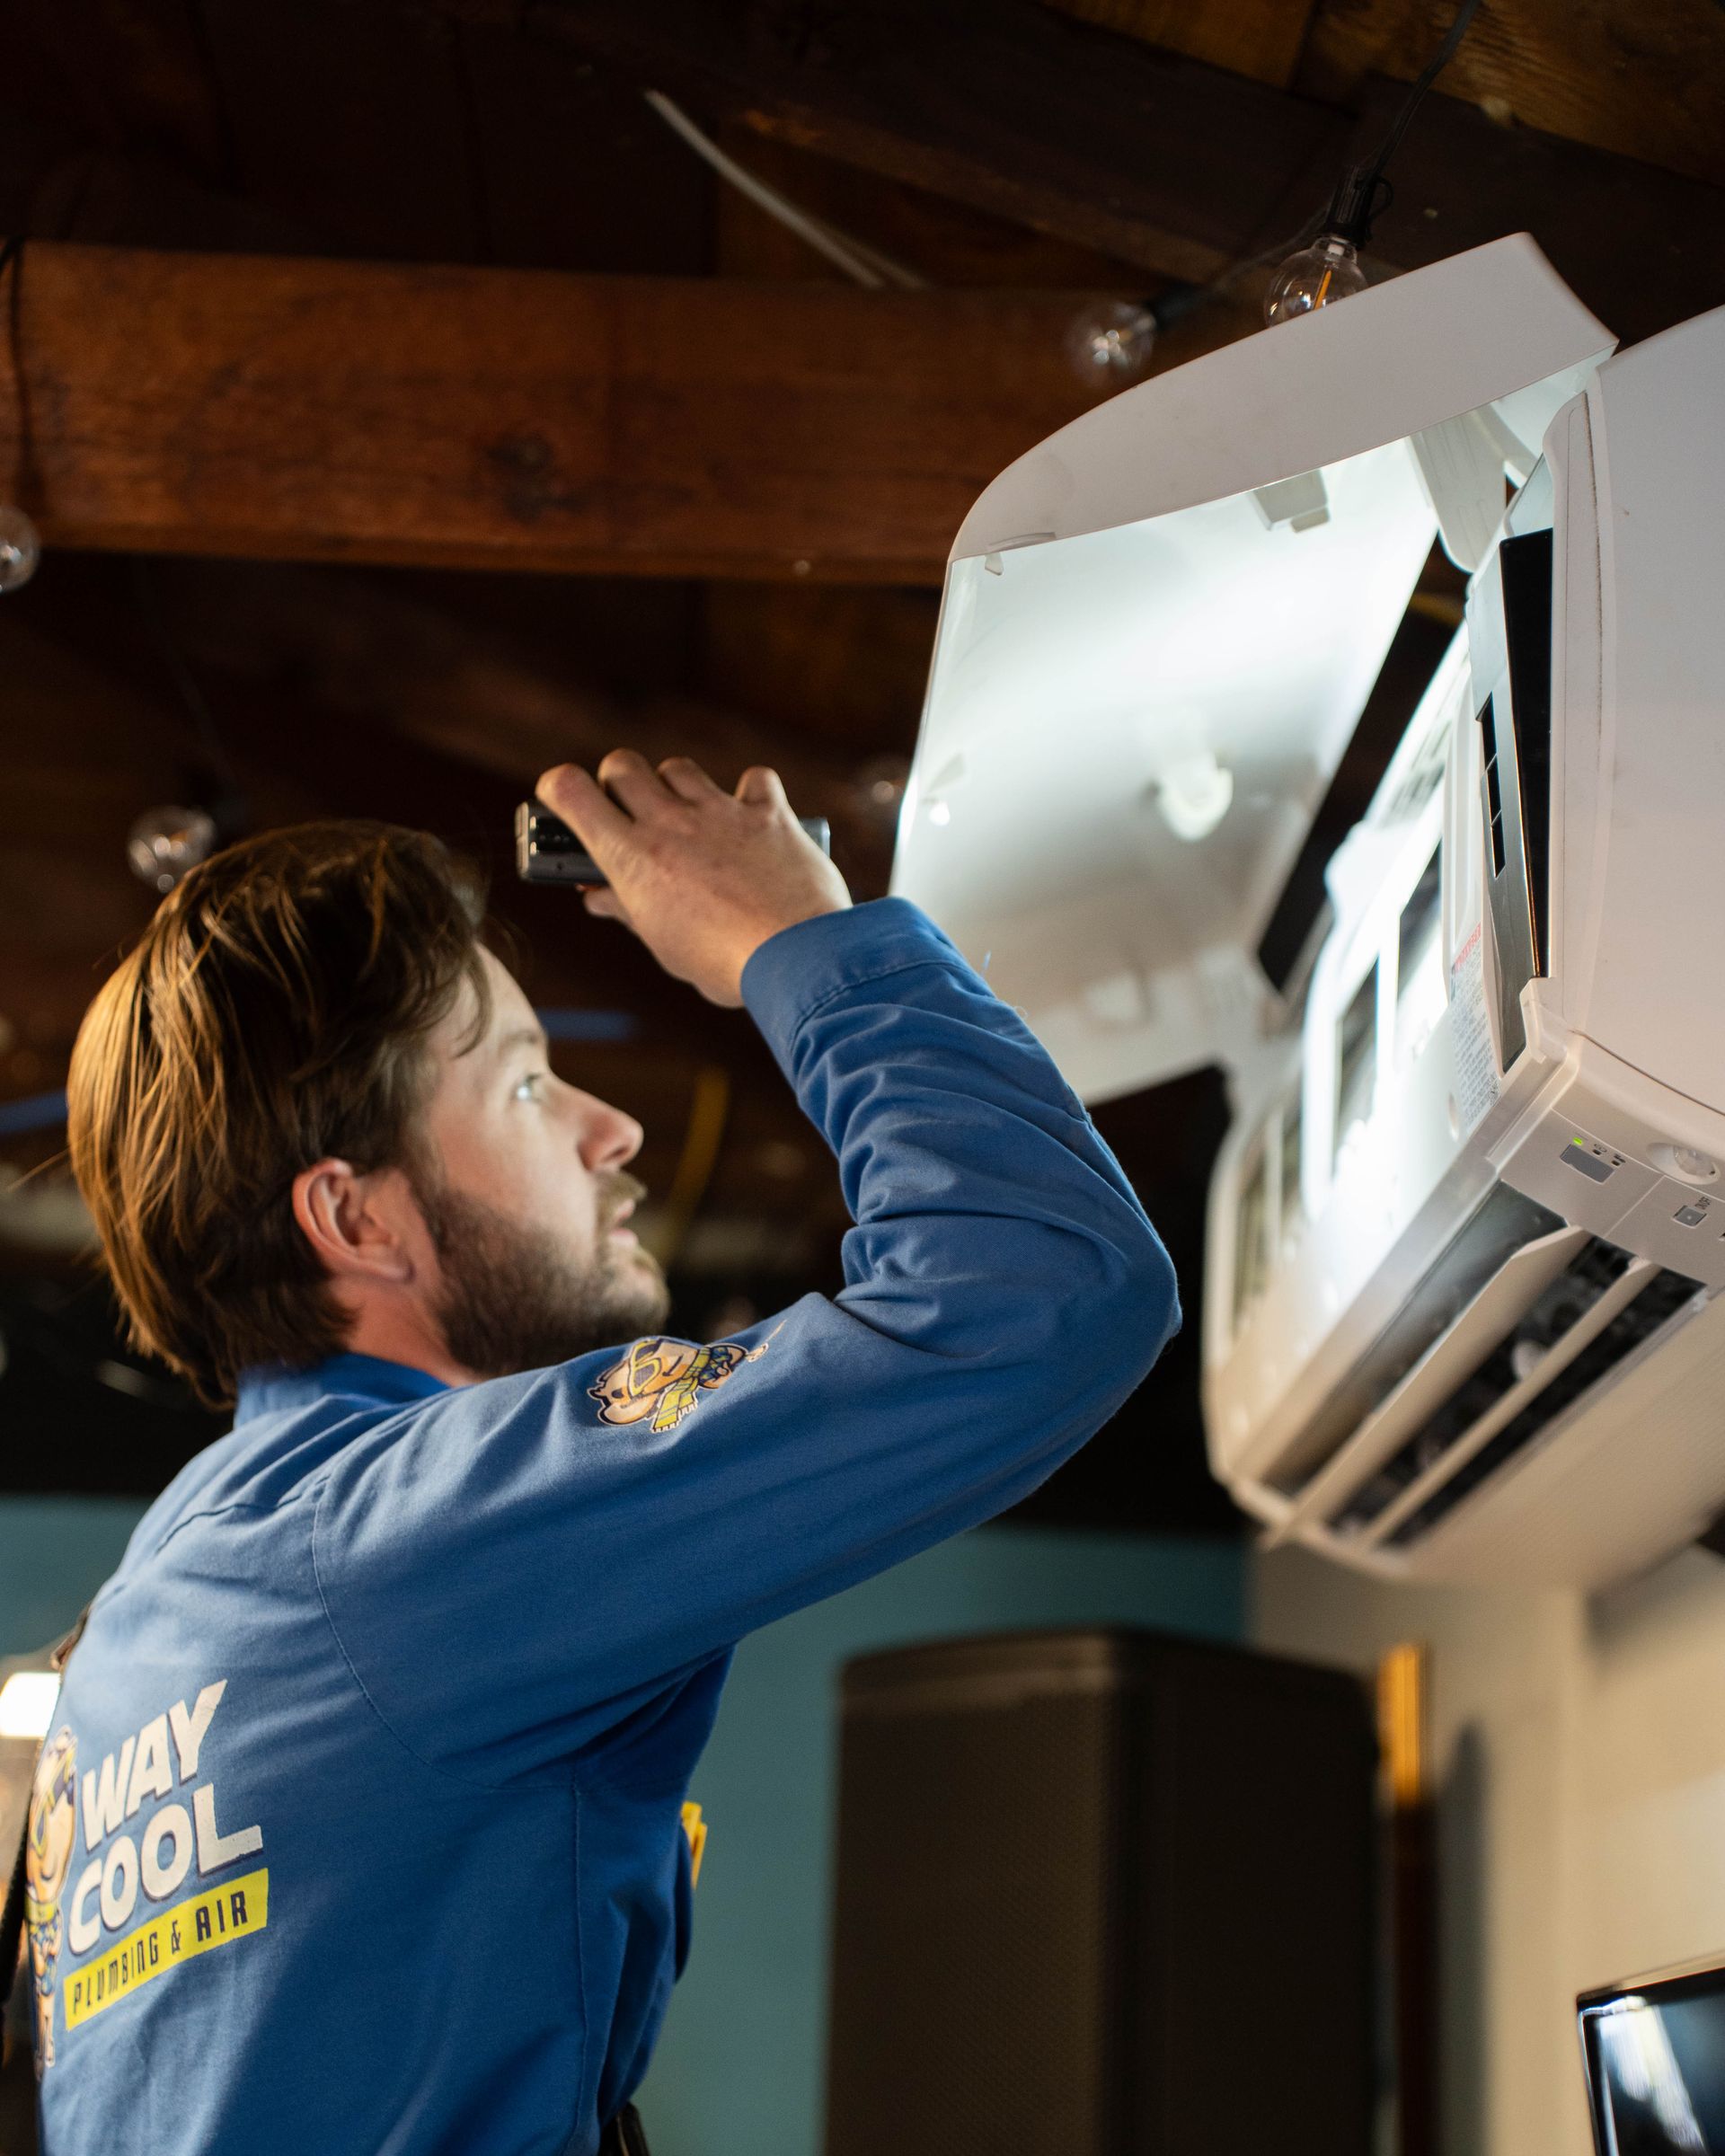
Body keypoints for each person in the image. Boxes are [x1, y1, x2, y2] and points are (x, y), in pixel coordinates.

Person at [31, 750, 1178, 2155]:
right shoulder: (412, 1540)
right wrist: (796, 941)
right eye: (524, 1088)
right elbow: (1038, 1284)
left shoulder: (146, 1636)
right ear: (359, 1220)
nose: (612, 1128)